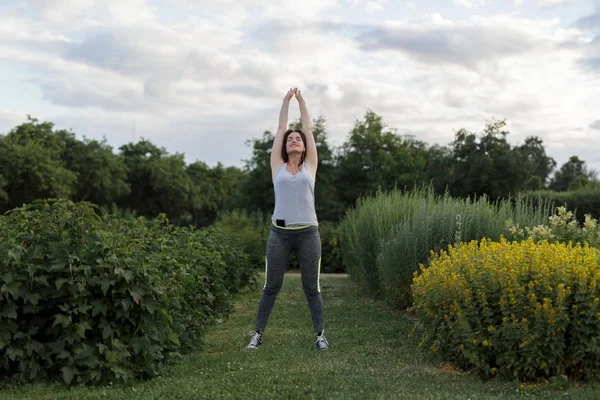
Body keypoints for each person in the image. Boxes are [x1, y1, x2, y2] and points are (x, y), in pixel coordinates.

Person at [247, 87, 328, 351]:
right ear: (285, 145)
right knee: (271, 286)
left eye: (298, 139)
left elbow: (307, 126)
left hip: (308, 234)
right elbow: (281, 127)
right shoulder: (277, 166)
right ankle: (257, 334)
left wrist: (302, 101)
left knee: (311, 288)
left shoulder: (310, 166)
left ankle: (320, 335)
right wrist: (285, 101)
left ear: (304, 147)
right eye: (290, 139)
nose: (294, 139)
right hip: (279, 234)